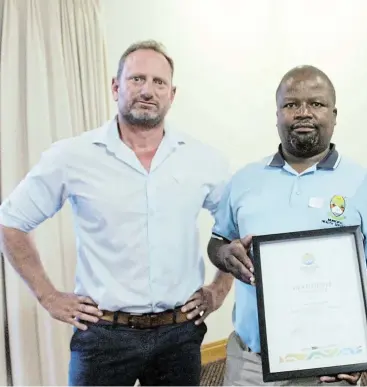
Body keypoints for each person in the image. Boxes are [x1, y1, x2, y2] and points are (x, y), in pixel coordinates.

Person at [0, 40, 234, 386]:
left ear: (172, 94)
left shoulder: (203, 160)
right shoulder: (72, 156)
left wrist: (219, 288)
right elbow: (12, 222)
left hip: (179, 334)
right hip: (104, 336)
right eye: (137, 79)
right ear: (115, 87)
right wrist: (48, 296)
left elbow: (235, 224)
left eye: (159, 82)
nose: (148, 90)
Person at [206, 65, 367, 386]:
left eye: (316, 103)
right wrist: (225, 254)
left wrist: (361, 345)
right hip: (250, 361)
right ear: (277, 114)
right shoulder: (244, 180)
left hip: (330, 367)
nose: (303, 113)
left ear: (334, 114)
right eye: (291, 104)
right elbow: (217, 244)